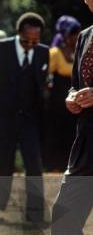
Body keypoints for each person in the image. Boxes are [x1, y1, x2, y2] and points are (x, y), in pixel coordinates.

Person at [24, 0, 93, 235]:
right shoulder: (84, 37)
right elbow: (75, 82)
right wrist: (71, 97)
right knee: (65, 211)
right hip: (86, 141)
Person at [0, 12, 49, 224]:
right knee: (1, 165)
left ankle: (35, 214)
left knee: (34, 164)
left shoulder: (43, 53)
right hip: (2, 119)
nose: (30, 44)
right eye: (26, 40)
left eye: (35, 41)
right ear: (18, 33)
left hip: (30, 119)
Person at [45, 16, 81, 171]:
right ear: (65, 34)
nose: (75, 36)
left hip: (78, 101)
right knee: (58, 132)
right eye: (72, 33)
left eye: (77, 33)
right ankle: (55, 167)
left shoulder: (82, 51)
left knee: (74, 133)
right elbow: (45, 76)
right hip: (58, 102)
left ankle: (73, 165)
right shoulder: (55, 52)